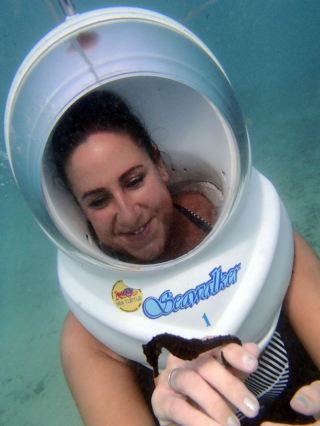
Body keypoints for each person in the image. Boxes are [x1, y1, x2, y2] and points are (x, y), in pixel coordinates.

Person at [51, 90, 320, 426]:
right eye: (98, 201)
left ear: (160, 164)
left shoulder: (262, 240)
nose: (128, 213)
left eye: (134, 181)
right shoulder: (90, 334)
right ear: (78, 213)